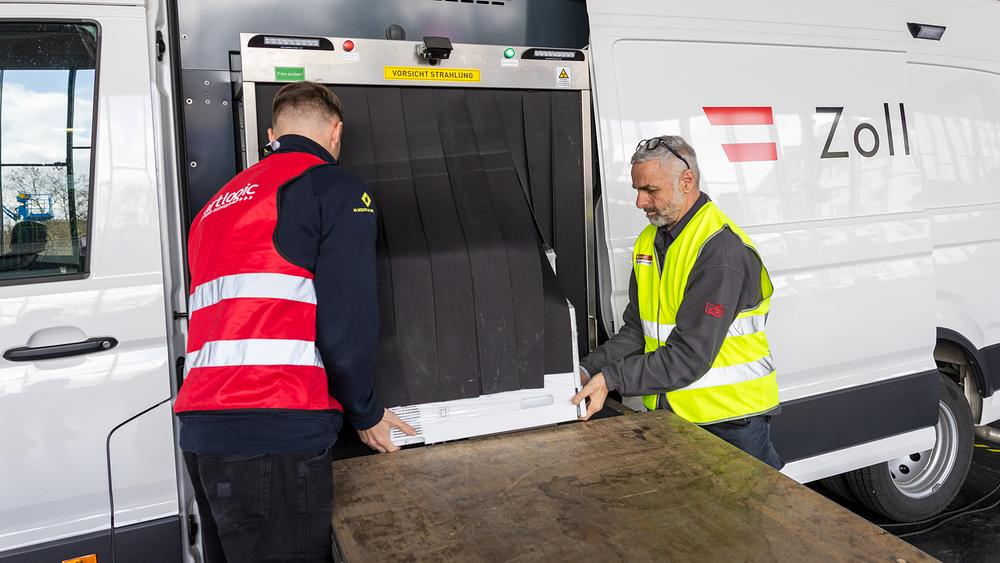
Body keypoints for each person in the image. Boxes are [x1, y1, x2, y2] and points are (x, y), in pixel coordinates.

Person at [174, 81, 415, 562]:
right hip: (274, 427)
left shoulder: (214, 207)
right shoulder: (332, 186)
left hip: (204, 432)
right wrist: (364, 413)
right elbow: (345, 320)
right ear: (335, 131)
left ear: (271, 134)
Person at [571, 135, 783, 470]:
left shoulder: (719, 251)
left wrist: (611, 379)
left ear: (687, 181)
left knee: (738, 521)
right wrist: (586, 369)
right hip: (674, 417)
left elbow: (690, 355)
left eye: (650, 190)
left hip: (729, 423)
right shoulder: (650, 241)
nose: (640, 202)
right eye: (637, 190)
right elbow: (637, 332)